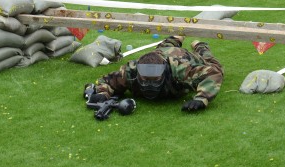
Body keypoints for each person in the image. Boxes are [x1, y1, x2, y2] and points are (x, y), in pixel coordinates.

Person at [88, 36, 224, 112]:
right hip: (161, 52)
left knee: (213, 64)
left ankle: (200, 44)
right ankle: (177, 37)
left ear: (165, 71)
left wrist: (201, 99)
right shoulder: (130, 71)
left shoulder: (181, 69)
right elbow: (108, 81)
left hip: (182, 56)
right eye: (146, 79)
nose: (150, 84)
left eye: (154, 79)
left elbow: (213, 73)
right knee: (165, 48)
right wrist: (102, 94)